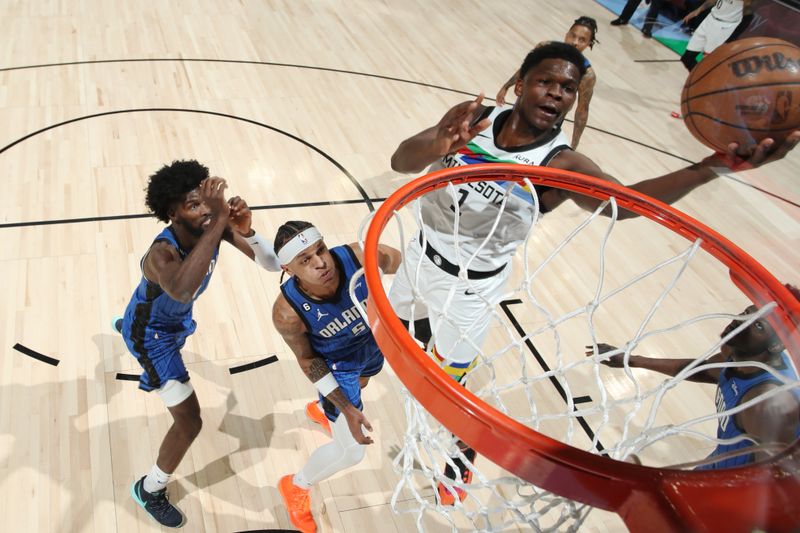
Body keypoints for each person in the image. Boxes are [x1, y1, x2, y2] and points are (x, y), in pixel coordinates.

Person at [389, 42, 800, 504]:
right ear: (520, 84)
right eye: (546, 81)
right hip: (419, 254)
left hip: (469, 290)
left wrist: (712, 167)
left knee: (450, 390)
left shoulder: (561, 164)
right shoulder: (477, 120)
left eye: (567, 88)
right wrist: (440, 142)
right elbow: (401, 162)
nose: (556, 94)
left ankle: (459, 462)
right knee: (391, 331)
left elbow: (626, 206)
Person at [115, 160, 281, 528]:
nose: (207, 210)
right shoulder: (162, 253)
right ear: (172, 213)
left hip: (170, 320)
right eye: (195, 205)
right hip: (153, 337)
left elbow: (272, 264)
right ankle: (150, 488)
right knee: (190, 423)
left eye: (208, 201)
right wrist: (221, 220)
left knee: (152, 308)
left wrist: (246, 230)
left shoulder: (213, 229)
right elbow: (183, 288)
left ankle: (125, 323)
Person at [271, 221, 400, 533]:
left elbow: (406, 264)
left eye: (321, 250)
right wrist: (346, 407)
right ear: (289, 270)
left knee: (365, 381)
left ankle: (321, 411)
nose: (320, 263)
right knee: (352, 452)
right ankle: (297, 486)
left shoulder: (359, 257)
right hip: (337, 366)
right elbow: (308, 362)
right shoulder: (287, 312)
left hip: (371, 345)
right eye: (306, 260)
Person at [587, 285, 800, 470]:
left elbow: (775, 483)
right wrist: (631, 360)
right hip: (718, 466)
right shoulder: (739, 355)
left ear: (776, 345)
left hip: (730, 495)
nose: (741, 321)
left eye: (758, 325)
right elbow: (703, 369)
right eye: (747, 312)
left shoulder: (770, 402)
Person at [496, 16, 599, 149]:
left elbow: (582, 111)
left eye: (582, 40)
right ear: (567, 33)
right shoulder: (544, 49)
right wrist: (506, 86)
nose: (575, 42)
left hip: (547, 124)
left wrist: (574, 144)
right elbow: (526, 70)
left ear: (589, 44)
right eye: (572, 35)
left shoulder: (587, 74)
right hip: (522, 111)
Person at [681, 0, 751, 71]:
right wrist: (697, 11)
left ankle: (702, 80)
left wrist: (731, 38)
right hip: (710, 18)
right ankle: (699, 80)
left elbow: (748, 11)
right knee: (687, 59)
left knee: (706, 64)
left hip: (725, 26)